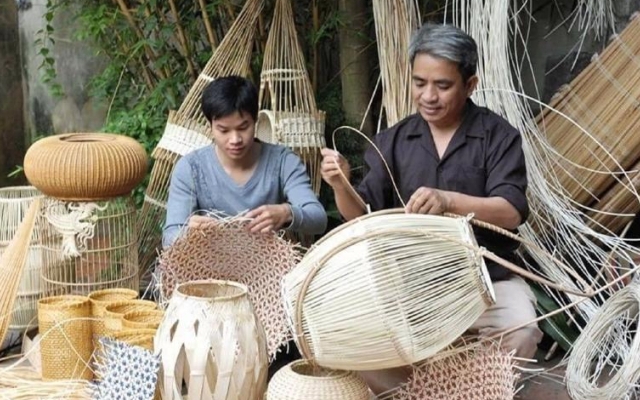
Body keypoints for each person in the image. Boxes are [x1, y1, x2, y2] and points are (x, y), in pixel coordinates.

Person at [320, 23, 542, 394]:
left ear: (470, 85)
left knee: (522, 328)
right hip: (409, 281)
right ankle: (423, 391)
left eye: (442, 85)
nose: (428, 96)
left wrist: (448, 200)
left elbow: (511, 211)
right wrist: (340, 183)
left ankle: (477, 390)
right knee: (360, 342)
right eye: (419, 82)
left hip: (484, 278)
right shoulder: (392, 140)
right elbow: (360, 215)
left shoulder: (498, 136)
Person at [163, 75, 327, 247]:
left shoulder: (283, 161)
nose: (235, 139)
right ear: (210, 125)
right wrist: (189, 233)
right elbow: (169, 238)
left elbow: (318, 219)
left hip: (267, 265)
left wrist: (287, 213)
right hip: (207, 265)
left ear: (256, 120)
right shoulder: (191, 168)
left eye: (243, 128)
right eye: (223, 130)